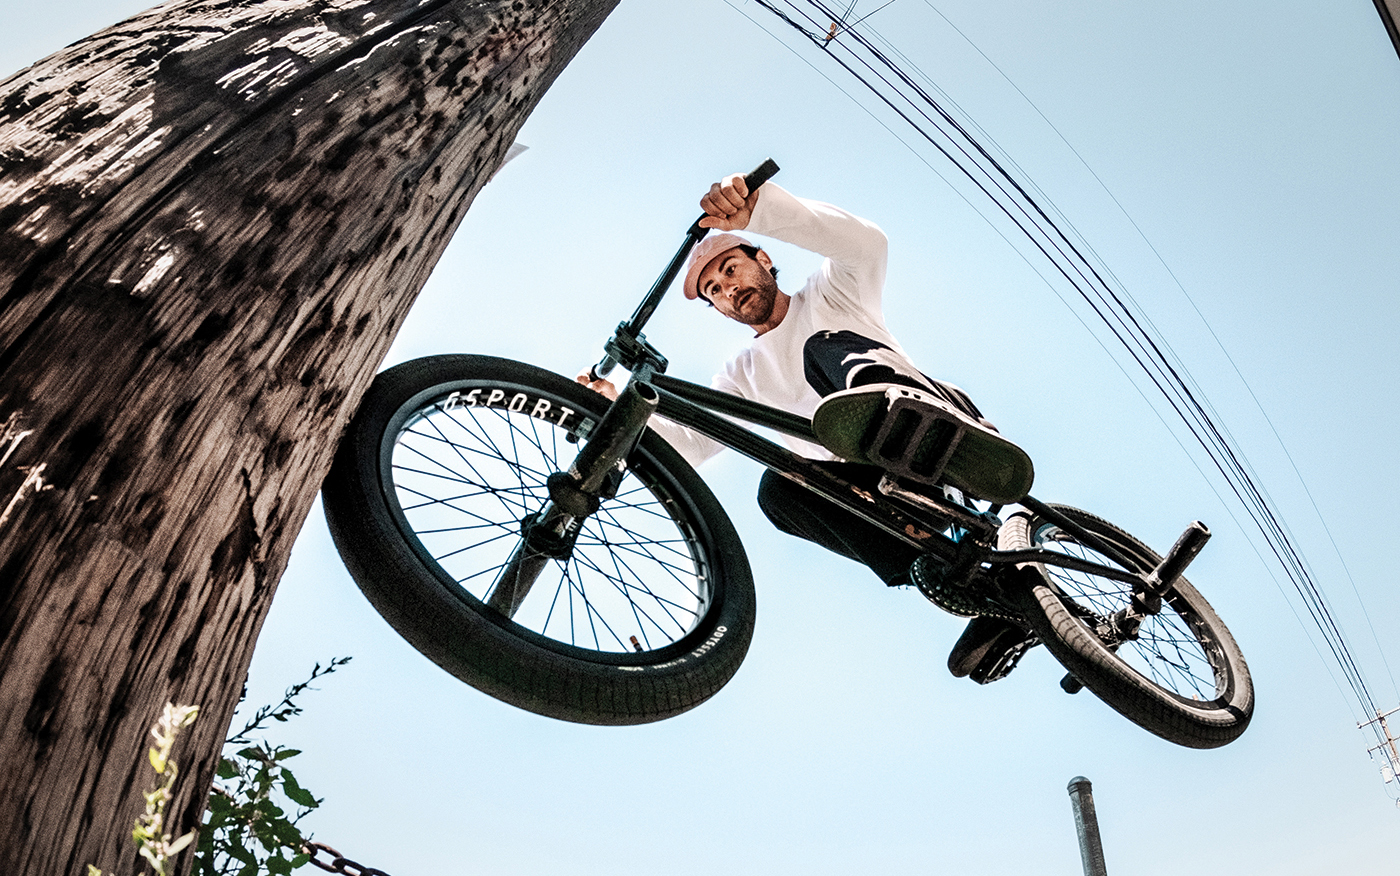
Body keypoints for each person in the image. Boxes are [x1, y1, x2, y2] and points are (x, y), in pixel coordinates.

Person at [577, 172, 1035, 680]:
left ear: (764, 260)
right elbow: (690, 443)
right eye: (715, 290)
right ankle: (960, 582)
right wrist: (616, 410)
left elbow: (866, 244)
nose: (728, 288)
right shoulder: (743, 374)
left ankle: (898, 425)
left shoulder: (833, 294)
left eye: (731, 269)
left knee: (823, 349)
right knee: (778, 491)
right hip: (868, 479)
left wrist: (760, 213)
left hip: (926, 429)